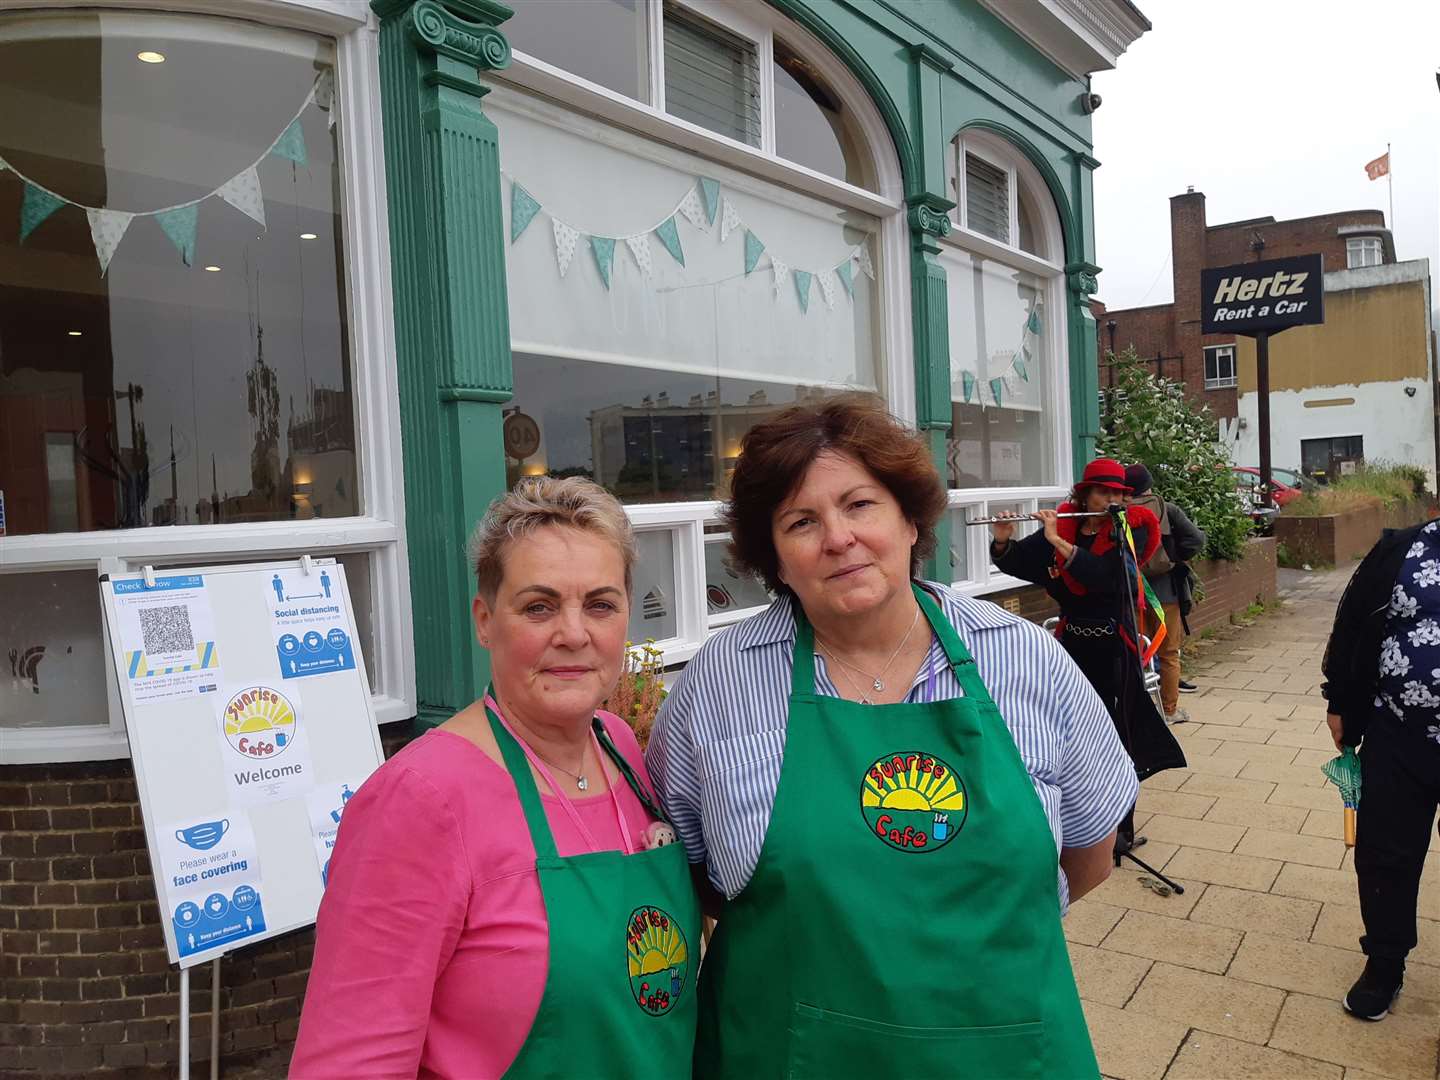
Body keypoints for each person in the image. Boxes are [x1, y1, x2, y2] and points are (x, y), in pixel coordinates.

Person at [646, 394, 1139, 1078]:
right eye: (800, 521)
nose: (838, 537)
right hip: (793, 1054)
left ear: (910, 518)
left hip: (1007, 1050)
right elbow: (694, 876)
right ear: (776, 560)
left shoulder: (1026, 659)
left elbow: (1092, 851)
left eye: (859, 504)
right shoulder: (718, 686)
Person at [291, 477, 698, 1077]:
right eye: (539, 606)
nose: (574, 633)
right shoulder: (420, 800)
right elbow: (351, 1062)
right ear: (485, 620)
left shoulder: (622, 752)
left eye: (601, 605)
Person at [989, 458, 1185, 852]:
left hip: (1115, 646)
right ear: (1085, 494)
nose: (1112, 499)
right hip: (1074, 644)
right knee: (1071, 731)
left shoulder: (1131, 531)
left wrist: (1059, 543)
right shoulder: (1066, 525)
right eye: (1103, 492)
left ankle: (1121, 829)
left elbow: (1104, 577)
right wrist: (1003, 539)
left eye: (1118, 493)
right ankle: (1078, 816)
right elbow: (1020, 563)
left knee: (1119, 734)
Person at [1321, 517, 1440, 1021]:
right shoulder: (1402, 548)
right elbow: (1353, 624)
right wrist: (1340, 701)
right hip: (1399, 733)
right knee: (1384, 851)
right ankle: (1385, 962)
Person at [1124, 463, 1206, 724]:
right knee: (1168, 653)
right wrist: (1172, 560)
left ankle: (1138, 711)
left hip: (1130, 593)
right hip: (1166, 593)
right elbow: (1196, 540)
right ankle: (1169, 711)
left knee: (1134, 652)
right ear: (1149, 484)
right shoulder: (1167, 510)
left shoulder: (1118, 512)